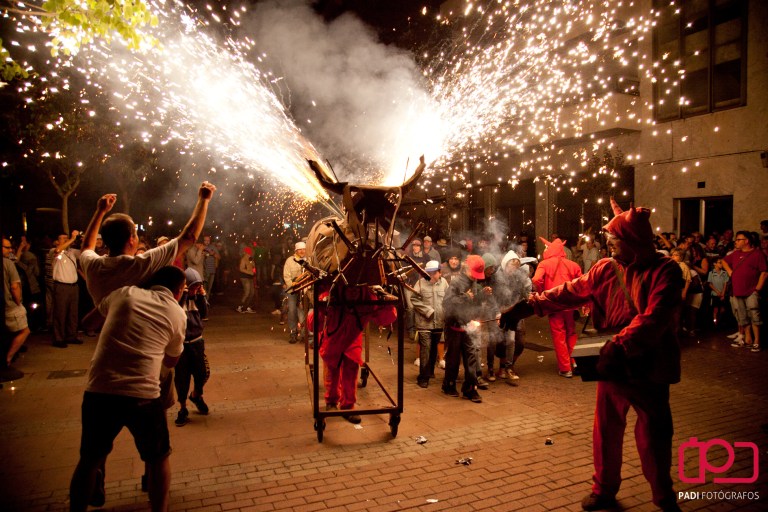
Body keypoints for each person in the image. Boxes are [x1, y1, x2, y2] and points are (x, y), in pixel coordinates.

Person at [500, 199, 683, 512]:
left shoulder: (666, 271)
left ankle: (663, 496)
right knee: (606, 432)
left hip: (648, 366)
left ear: (634, 242)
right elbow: (572, 290)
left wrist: (618, 345)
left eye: (614, 242)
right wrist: (532, 304)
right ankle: (604, 490)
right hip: (612, 364)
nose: (608, 247)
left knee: (654, 436)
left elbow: (653, 318)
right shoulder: (605, 268)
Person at [68, 266, 187, 512]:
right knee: (158, 459)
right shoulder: (177, 313)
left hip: (100, 390)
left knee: (89, 459)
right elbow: (172, 360)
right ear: (177, 291)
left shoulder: (123, 294)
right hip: (143, 393)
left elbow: (88, 322)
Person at [79, 182, 216, 307]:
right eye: (135, 233)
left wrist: (100, 211)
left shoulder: (93, 266)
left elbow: (86, 247)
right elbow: (188, 237)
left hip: (108, 332)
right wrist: (204, 200)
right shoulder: (140, 265)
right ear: (131, 239)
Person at [308, 285, 397, 423]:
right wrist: (321, 307)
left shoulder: (367, 295)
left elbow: (385, 318)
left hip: (352, 337)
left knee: (351, 368)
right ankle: (331, 401)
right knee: (332, 367)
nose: (353, 291)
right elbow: (313, 323)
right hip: (332, 337)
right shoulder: (331, 292)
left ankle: (348, 405)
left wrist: (387, 303)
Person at [532, 237, 583, 377]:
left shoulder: (544, 264)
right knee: (571, 333)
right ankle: (576, 363)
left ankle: (565, 368)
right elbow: (582, 281)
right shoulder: (573, 265)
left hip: (554, 304)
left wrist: (543, 293)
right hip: (570, 304)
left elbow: (536, 279)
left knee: (559, 334)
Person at [441, 254, 485, 403]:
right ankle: (449, 384)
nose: (476, 278)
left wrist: (482, 296)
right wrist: (465, 297)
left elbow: (474, 302)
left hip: (469, 326)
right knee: (453, 359)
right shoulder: (456, 283)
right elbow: (447, 303)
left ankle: (470, 389)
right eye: (475, 274)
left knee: (471, 358)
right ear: (467, 270)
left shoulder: (473, 283)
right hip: (454, 326)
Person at [174, 268, 210, 426]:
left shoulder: (198, 297)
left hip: (197, 341)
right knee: (182, 377)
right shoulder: (177, 298)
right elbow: (175, 313)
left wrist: (201, 296)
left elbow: (204, 314)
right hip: (181, 344)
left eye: (198, 286)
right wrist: (183, 296)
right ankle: (182, 408)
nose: (195, 290)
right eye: (193, 287)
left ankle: (196, 395)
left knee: (202, 373)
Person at [722, 230, 767, 352]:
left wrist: (758, 288)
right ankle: (748, 339)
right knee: (742, 316)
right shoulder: (735, 254)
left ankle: (757, 340)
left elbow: (764, 272)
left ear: (746, 241)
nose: (736, 242)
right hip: (738, 290)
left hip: (751, 290)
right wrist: (730, 272)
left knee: (754, 314)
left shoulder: (757, 254)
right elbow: (723, 261)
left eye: (738, 239)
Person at [410, 260, 447, 388]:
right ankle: (423, 377)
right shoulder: (420, 283)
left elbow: (447, 299)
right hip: (424, 323)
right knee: (425, 348)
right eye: (429, 272)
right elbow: (413, 299)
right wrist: (427, 311)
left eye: (434, 273)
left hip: (439, 322)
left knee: (433, 348)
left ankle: (430, 371)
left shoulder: (444, 283)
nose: (431, 275)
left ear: (440, 272)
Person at [50, 231, 82, 348]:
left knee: (73, 313)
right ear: (57, 242)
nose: (65, 240)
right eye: (62, 238)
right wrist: (72, 238)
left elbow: (85, 251)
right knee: (60, 313)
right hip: (61, 286)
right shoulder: (54, 252)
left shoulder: (72, 252)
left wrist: (82, 239)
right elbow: (58, 250)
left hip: (74, 286)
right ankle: (58, 338)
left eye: (66, 238)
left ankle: (71, 336)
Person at [3, 238, 30, 372]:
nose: (10, 250)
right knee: (24, 330)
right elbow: (14, 286)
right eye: (7, 248)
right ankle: (7, 359)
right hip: (10, 304)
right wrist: (18, 302)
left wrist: (20, 247)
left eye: (10, 247)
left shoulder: (9, 260)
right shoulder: (7, 263)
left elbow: (16, 258)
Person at [283, 241, 306, 344]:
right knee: (292, 310)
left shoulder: (307, 260)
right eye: (300, 249)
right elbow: (286, 276)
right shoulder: (290, 261)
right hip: (292, 291)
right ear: (296, 250)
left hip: (304, 290)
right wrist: (292, 285)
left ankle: (304, 333)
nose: (302, 251)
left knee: (303, 312)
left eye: (304, 249)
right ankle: (293, 332)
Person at [707, 258, 729, 327]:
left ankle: (720, 321)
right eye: (719, 263)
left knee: (722, 309)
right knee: (715, 309)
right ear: (714, 264)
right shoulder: (711, 273)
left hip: (723, 294)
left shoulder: (724, 273)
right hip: (715, 294)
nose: (721, 264)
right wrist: (717, 291)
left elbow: (726, 283)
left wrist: (723, 293)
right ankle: (715, 322)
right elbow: (710, 284)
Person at [237, 247, 257, 313]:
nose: (251, 254)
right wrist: (250, 272)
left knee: (252, 293)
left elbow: (253, 266)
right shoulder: (243, 259)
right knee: (247, 292)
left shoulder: (250, 259)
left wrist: (254, 271)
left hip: (250, 277)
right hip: (244, 277)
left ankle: (247, 306)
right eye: (250, 253)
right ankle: (239, 307)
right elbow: (241, 269)